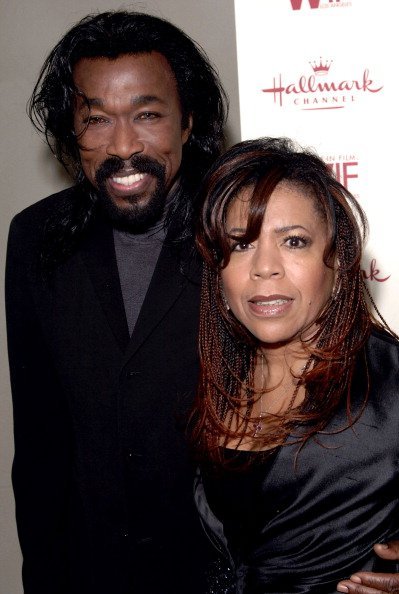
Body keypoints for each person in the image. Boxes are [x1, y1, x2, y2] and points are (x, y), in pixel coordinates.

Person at [5, 10, 227, 594]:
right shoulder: (35, 239)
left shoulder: (242, 227)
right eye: (96, 120)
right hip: (90, 571)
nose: (123, 146)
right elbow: (40, 442)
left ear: (188, 122)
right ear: (70, 130)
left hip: (226, 575)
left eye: (148, 115)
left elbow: (342, 388)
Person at [190, 137, 399, 593]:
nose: (265, 267)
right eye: (240, 244)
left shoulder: (390, 384)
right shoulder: (212, 381)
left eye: (294, 241)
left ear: (339, 259)